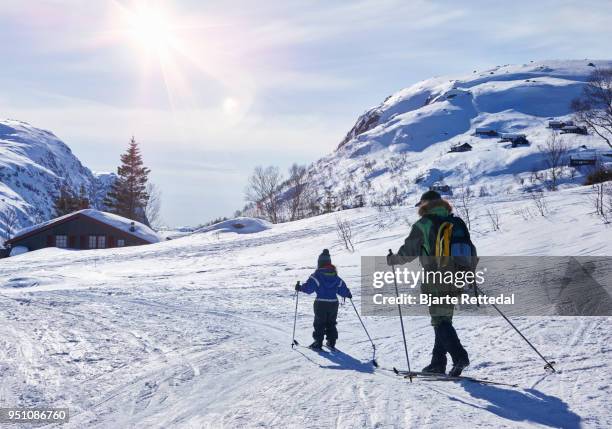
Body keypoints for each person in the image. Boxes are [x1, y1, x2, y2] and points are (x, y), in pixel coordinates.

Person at [387, 190, 472, 377]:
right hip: (457, 276)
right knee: (443, 319)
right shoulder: (455, 221)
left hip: (436, 276)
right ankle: (437, 363)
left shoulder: (423, 224)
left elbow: (408, 251)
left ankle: (459, 357)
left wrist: (393, 259)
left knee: (439, 320)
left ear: (425, 204)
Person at [296, 249, 352, 350]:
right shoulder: (335, 276)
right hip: (333, 304)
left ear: (319, 263)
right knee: (331, 322)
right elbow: (342, 288)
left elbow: (309, 289)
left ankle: (318, 343)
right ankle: (331, 342)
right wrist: (347, 294)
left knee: (319, 322)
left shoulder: (317, 276)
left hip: (321, 303)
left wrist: (300, 288)